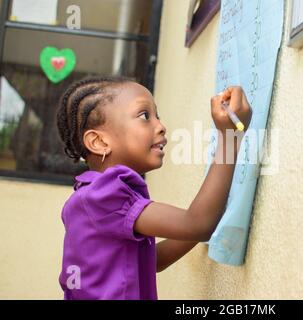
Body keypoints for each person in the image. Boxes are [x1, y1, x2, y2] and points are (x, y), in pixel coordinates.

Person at [55, 76, 252, 300]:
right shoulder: (103, 195)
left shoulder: (88, 195)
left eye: (157, 115)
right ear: (99, 142)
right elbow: (197, 224)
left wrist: (213, 210)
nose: (160, 126)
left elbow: (149, 261)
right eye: (144, 116)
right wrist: (230, 136)